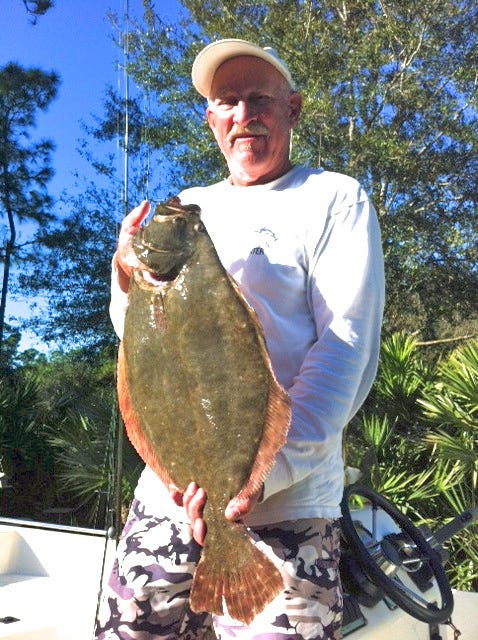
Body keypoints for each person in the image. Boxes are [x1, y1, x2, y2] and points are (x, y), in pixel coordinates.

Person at [95, 38, 385, 640]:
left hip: (288, 503)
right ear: (211, 118)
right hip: (168, 497)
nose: (243, 115)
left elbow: (345, 351)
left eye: (260, 99)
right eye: (227, 102)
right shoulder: (191, 206)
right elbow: (142, 352)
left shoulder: (334, 198)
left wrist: (258, 478)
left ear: (293, 109)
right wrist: (125, 280)